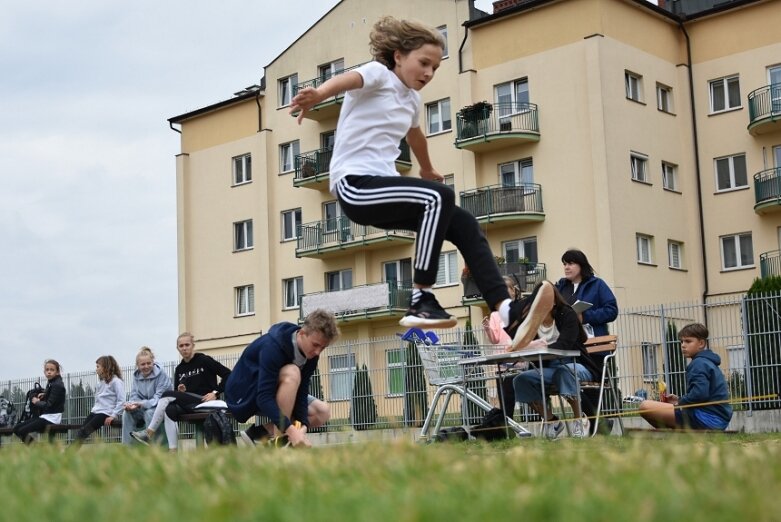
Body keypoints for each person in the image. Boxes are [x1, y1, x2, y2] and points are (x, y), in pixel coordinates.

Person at [290, 16, 520, 334]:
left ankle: (506, 309)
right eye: (423, 63)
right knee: (439, 197)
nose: (428, 73)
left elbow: (415, 137)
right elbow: (347, 80)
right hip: (355, 185)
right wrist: (319, 94)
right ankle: (421, 297)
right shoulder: (378, 74)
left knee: (463, 221)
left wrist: (426, 167)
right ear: (398, 56)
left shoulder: (412, 99)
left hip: (384, 191)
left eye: (435, 69)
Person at [225, 309, 340, 448]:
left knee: (322, 412)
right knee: (293, 372)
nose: (317, 352)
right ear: (302, 333)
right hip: (244, 394)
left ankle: (258, 434)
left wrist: (301, 427)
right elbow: (264, 397)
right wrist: (291, 430)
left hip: (273, 391)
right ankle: (279, 444)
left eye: (323, 348)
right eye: (315, 345)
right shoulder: (272, 347)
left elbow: (301, 395)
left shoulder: (311, 355)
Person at [510, 281, 602, 439]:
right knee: (521, 380)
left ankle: (580, 419)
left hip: (576, 364)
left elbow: (566, 343)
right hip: (550, 368)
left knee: (563, 372)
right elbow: (519, 340)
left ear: (553, 300)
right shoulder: (533, 321)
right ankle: (551, 421)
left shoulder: (567, 314)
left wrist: (540, 347)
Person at [131, 332, 231, 451]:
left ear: (193, 345)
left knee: (166, 394)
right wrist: (180, 391)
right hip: (190, 403)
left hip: (205, 401)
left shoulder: (204, 360)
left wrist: (215, 392)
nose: (184, 348)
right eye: (181, 346)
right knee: (169, 409)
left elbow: (228, 374)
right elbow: (176, 393)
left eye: (187, 345)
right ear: (178, 348)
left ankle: (149, 433)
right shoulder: (179, 369)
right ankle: (173, 451)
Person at [639, 323, 733, 431]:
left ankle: (669, 435)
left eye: (688, 341)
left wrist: (680, 402)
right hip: (718, 419)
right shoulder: (707, 362)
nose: (683, 345)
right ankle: (673, 434)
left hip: (706, 418)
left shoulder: (699, 363)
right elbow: (702, 394)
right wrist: (679, 400)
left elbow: (700, 394)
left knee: (645, 406)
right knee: (655, 409)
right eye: (682, 341)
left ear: (701, 343)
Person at [554, 249, 618, 337]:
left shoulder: (597, 284)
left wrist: (584, 317)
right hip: (568, 343)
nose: (566, 267)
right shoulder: (560, 287)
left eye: (571, 263)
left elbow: (612, 311)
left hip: (594, 344)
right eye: (565, 264)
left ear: (581, 265)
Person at [122, 346, 173, 445]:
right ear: (138, 365)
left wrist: (140, 404)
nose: (146, 366)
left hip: (160, 408)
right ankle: (126, 447)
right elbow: (134, 396)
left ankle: (155, 447)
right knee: (126, 413)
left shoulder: (162, 375)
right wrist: (131, 405)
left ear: (153, 362)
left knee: (149, 413)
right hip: (143, 407)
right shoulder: (136, 377)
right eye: (142, 364)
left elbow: (158, 399)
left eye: (149, 363)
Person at [74, 356, 125, 443]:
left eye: (98, 366)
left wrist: (113, 415)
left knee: (84, 431)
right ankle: (70, 452)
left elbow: (122, 401)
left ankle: (69, 452)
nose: (96, 369)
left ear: (105, 367)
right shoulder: (100, 383)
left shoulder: (116, 382)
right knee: (81, 431)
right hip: (95, 411)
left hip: (105, 413)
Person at [13, 359, 66, 444]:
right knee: (16, 429)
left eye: (52, 370)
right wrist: (44, 394)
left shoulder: (57, 385)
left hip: (52, 418)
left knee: (21, 431)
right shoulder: (52, 382)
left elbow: (49, 405)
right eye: (47, 370)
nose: (49, 372)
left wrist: (36, 402)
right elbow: (52, 398)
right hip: (46, 416)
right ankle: (39, 449)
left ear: (57, 372)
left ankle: (38, 450)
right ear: (44, 371)